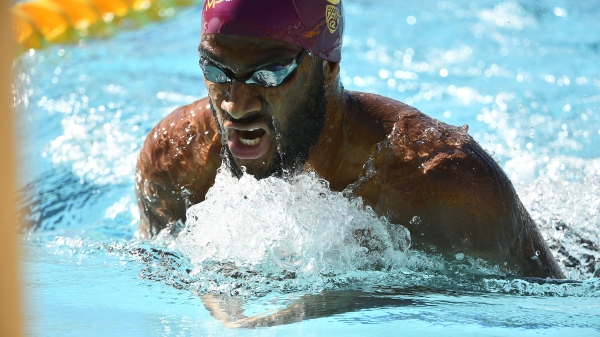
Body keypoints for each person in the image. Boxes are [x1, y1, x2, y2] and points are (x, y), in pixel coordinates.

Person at [135, 0, 564, 279]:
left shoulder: (444, 183)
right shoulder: (175, 160)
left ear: (328, 68)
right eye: (215, 71)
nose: (236, 104)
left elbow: (550, 307)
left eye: (270, 74)